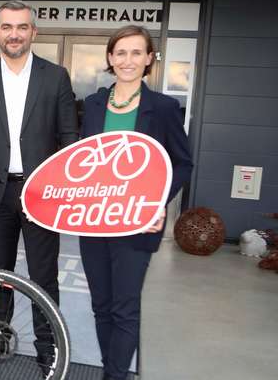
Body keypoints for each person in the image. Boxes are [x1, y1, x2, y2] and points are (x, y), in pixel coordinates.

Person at [0, 0, 78, 375]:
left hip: (40, 192)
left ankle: (48, 349)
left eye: (22, 27)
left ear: (33, 32)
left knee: (44, 277)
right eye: (7, 27)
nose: (14, 34)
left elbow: (68, 136)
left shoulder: (55, 77)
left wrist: (60, 185)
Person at [78, 25, 193, 380]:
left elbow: (182, 162)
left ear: (149, 59)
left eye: (136, 53)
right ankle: (110, 368)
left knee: (125, 308)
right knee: (101, 306)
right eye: (121, 53)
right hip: (95, 220)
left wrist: (158, 203)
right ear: (111, 58)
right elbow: (81, 161)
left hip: (137, 221)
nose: (128, 60)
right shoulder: (94, 104)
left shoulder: (163, 108)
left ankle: (114, 376)